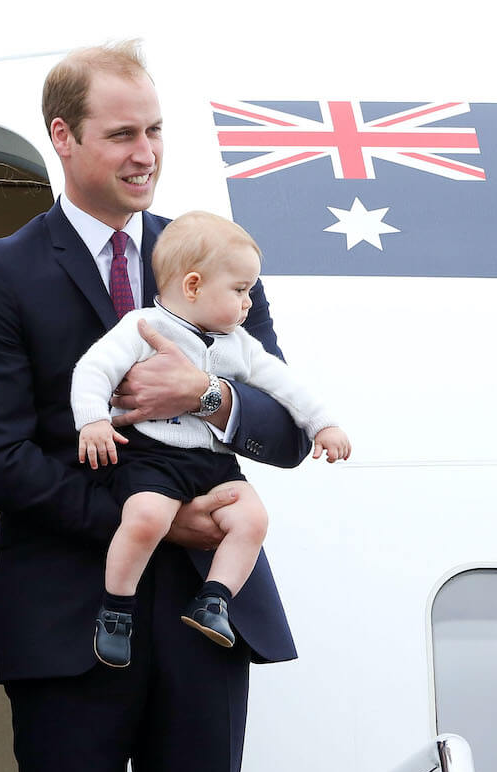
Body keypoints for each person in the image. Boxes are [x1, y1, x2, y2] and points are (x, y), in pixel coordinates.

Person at [0, 42, 309, 772]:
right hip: (67, 617)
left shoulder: (213, 258)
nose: (144, 153)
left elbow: (286, 432)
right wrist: (157, 519)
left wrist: (206, 397)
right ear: (62, 136)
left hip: (204, 612)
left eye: (153, 131)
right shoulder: (1, 270)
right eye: (121, 135)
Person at [72, 211, 351, 668]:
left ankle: (214, 599)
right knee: (145, 516)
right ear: (195, 286)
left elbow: (285, 386)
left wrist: (323, 424)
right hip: (156, 457)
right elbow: (93, 369)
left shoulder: (239, 343)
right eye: (240, 291)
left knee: (252, 518)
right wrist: (93, 421)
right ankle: (117, 609)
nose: (248, 304)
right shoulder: (144, 327)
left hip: (216, 464)